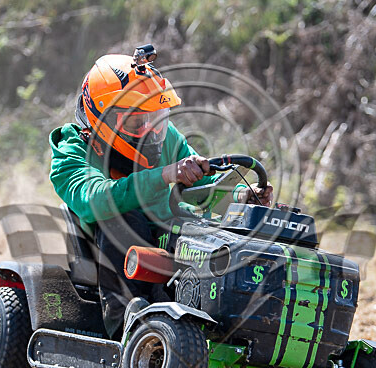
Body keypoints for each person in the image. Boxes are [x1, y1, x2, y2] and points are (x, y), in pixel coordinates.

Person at [49, 46, 273, 337]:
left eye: (154, 117)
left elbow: (203, 190)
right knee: (123, 213)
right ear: (101, 117)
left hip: (167, 239)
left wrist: (244, 196)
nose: (149, 129)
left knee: (220, 233)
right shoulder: (72, 149)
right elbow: (94, 200)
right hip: (103, 251)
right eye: (135, 121)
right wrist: (166, 174)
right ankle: (125, 325)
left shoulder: (166, 139)